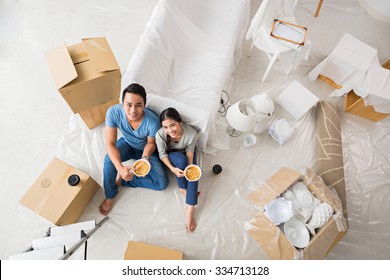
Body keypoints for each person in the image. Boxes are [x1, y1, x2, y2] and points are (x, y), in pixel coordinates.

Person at [99, 83, 169, 215]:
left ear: (144, 104)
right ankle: (110, 195)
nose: (133, 110)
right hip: (127, 144)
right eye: (129, 105)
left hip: (146, 151)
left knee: (162, 184)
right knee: (109, 159)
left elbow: (151, 143)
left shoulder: (152, 121)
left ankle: (123, 181)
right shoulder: (113, 112)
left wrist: (144, 158)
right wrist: (120, 167)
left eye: (138, 105)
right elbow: (110, 143)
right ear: (122, 103)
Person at [155, 107, 200, 232]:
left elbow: (190, 152)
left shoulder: (192, 134)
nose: (169, 130)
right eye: (165, 127)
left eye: (172, 125)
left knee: (194, 172)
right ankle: (182, 188)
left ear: (180, 122)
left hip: (186, 152)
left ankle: (190, 209)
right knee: (181, 161)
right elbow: (162, 154)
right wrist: (172, 169)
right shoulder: (160, 135)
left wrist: (190, 169)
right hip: (172, 156)